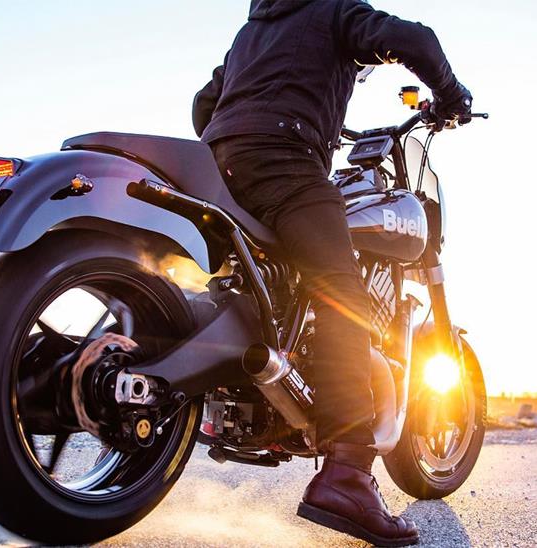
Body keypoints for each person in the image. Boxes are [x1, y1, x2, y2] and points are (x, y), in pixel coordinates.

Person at [193, 1, 472, 545]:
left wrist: (236, 139)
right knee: (342, 297)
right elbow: (414, 38)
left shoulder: (255, 29)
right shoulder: (333, 10)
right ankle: (348, 473)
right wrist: (452, 95)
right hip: (286, 161)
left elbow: (206, 102)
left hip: (221, 163)